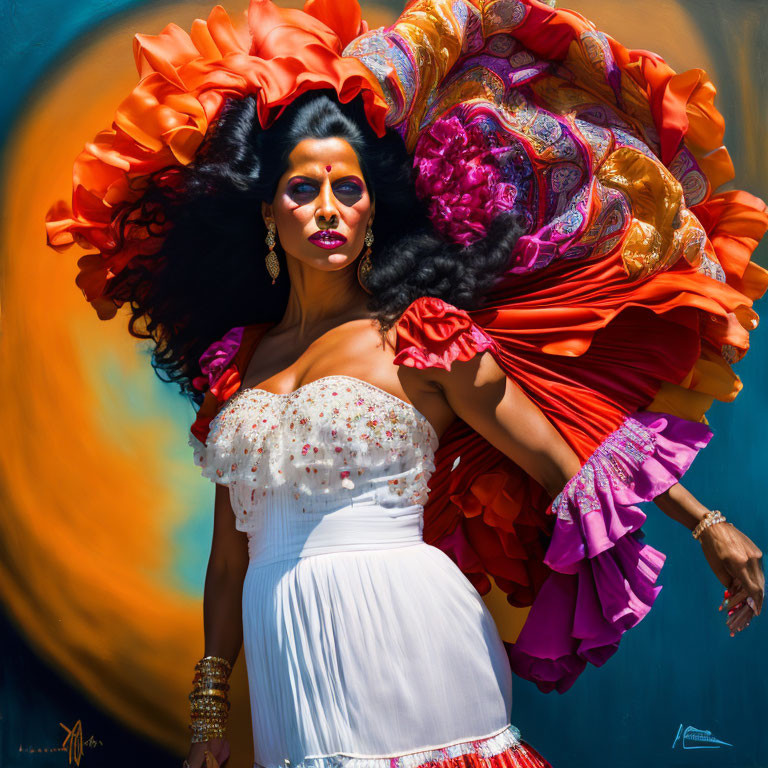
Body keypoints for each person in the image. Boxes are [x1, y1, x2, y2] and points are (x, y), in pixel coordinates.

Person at [44, 1, 765, 767]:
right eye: (302, 190)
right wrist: (210, 708)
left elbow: (567, 454)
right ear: (265, 212)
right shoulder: (237, 362)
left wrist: (706, 522)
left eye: (347, 190)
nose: (328, 209)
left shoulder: (417, 332)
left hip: (409, 626)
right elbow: (228, 561)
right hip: (287, 656)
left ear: (371, 210)